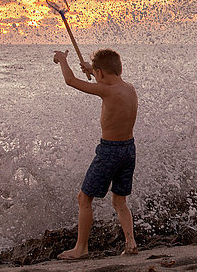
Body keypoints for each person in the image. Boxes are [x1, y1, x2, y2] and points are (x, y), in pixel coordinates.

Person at [53, 48, 138, 259]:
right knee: (120, 201)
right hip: (129, 149)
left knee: (84, 198)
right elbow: (108, 79)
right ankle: (131, 242)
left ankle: (80, 248)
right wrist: (93, 69)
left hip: (110, 151)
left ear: (100, 73)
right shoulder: (129, 88)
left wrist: (63, 59)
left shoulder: (107, 91)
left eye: (97, 72)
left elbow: (71, 81)